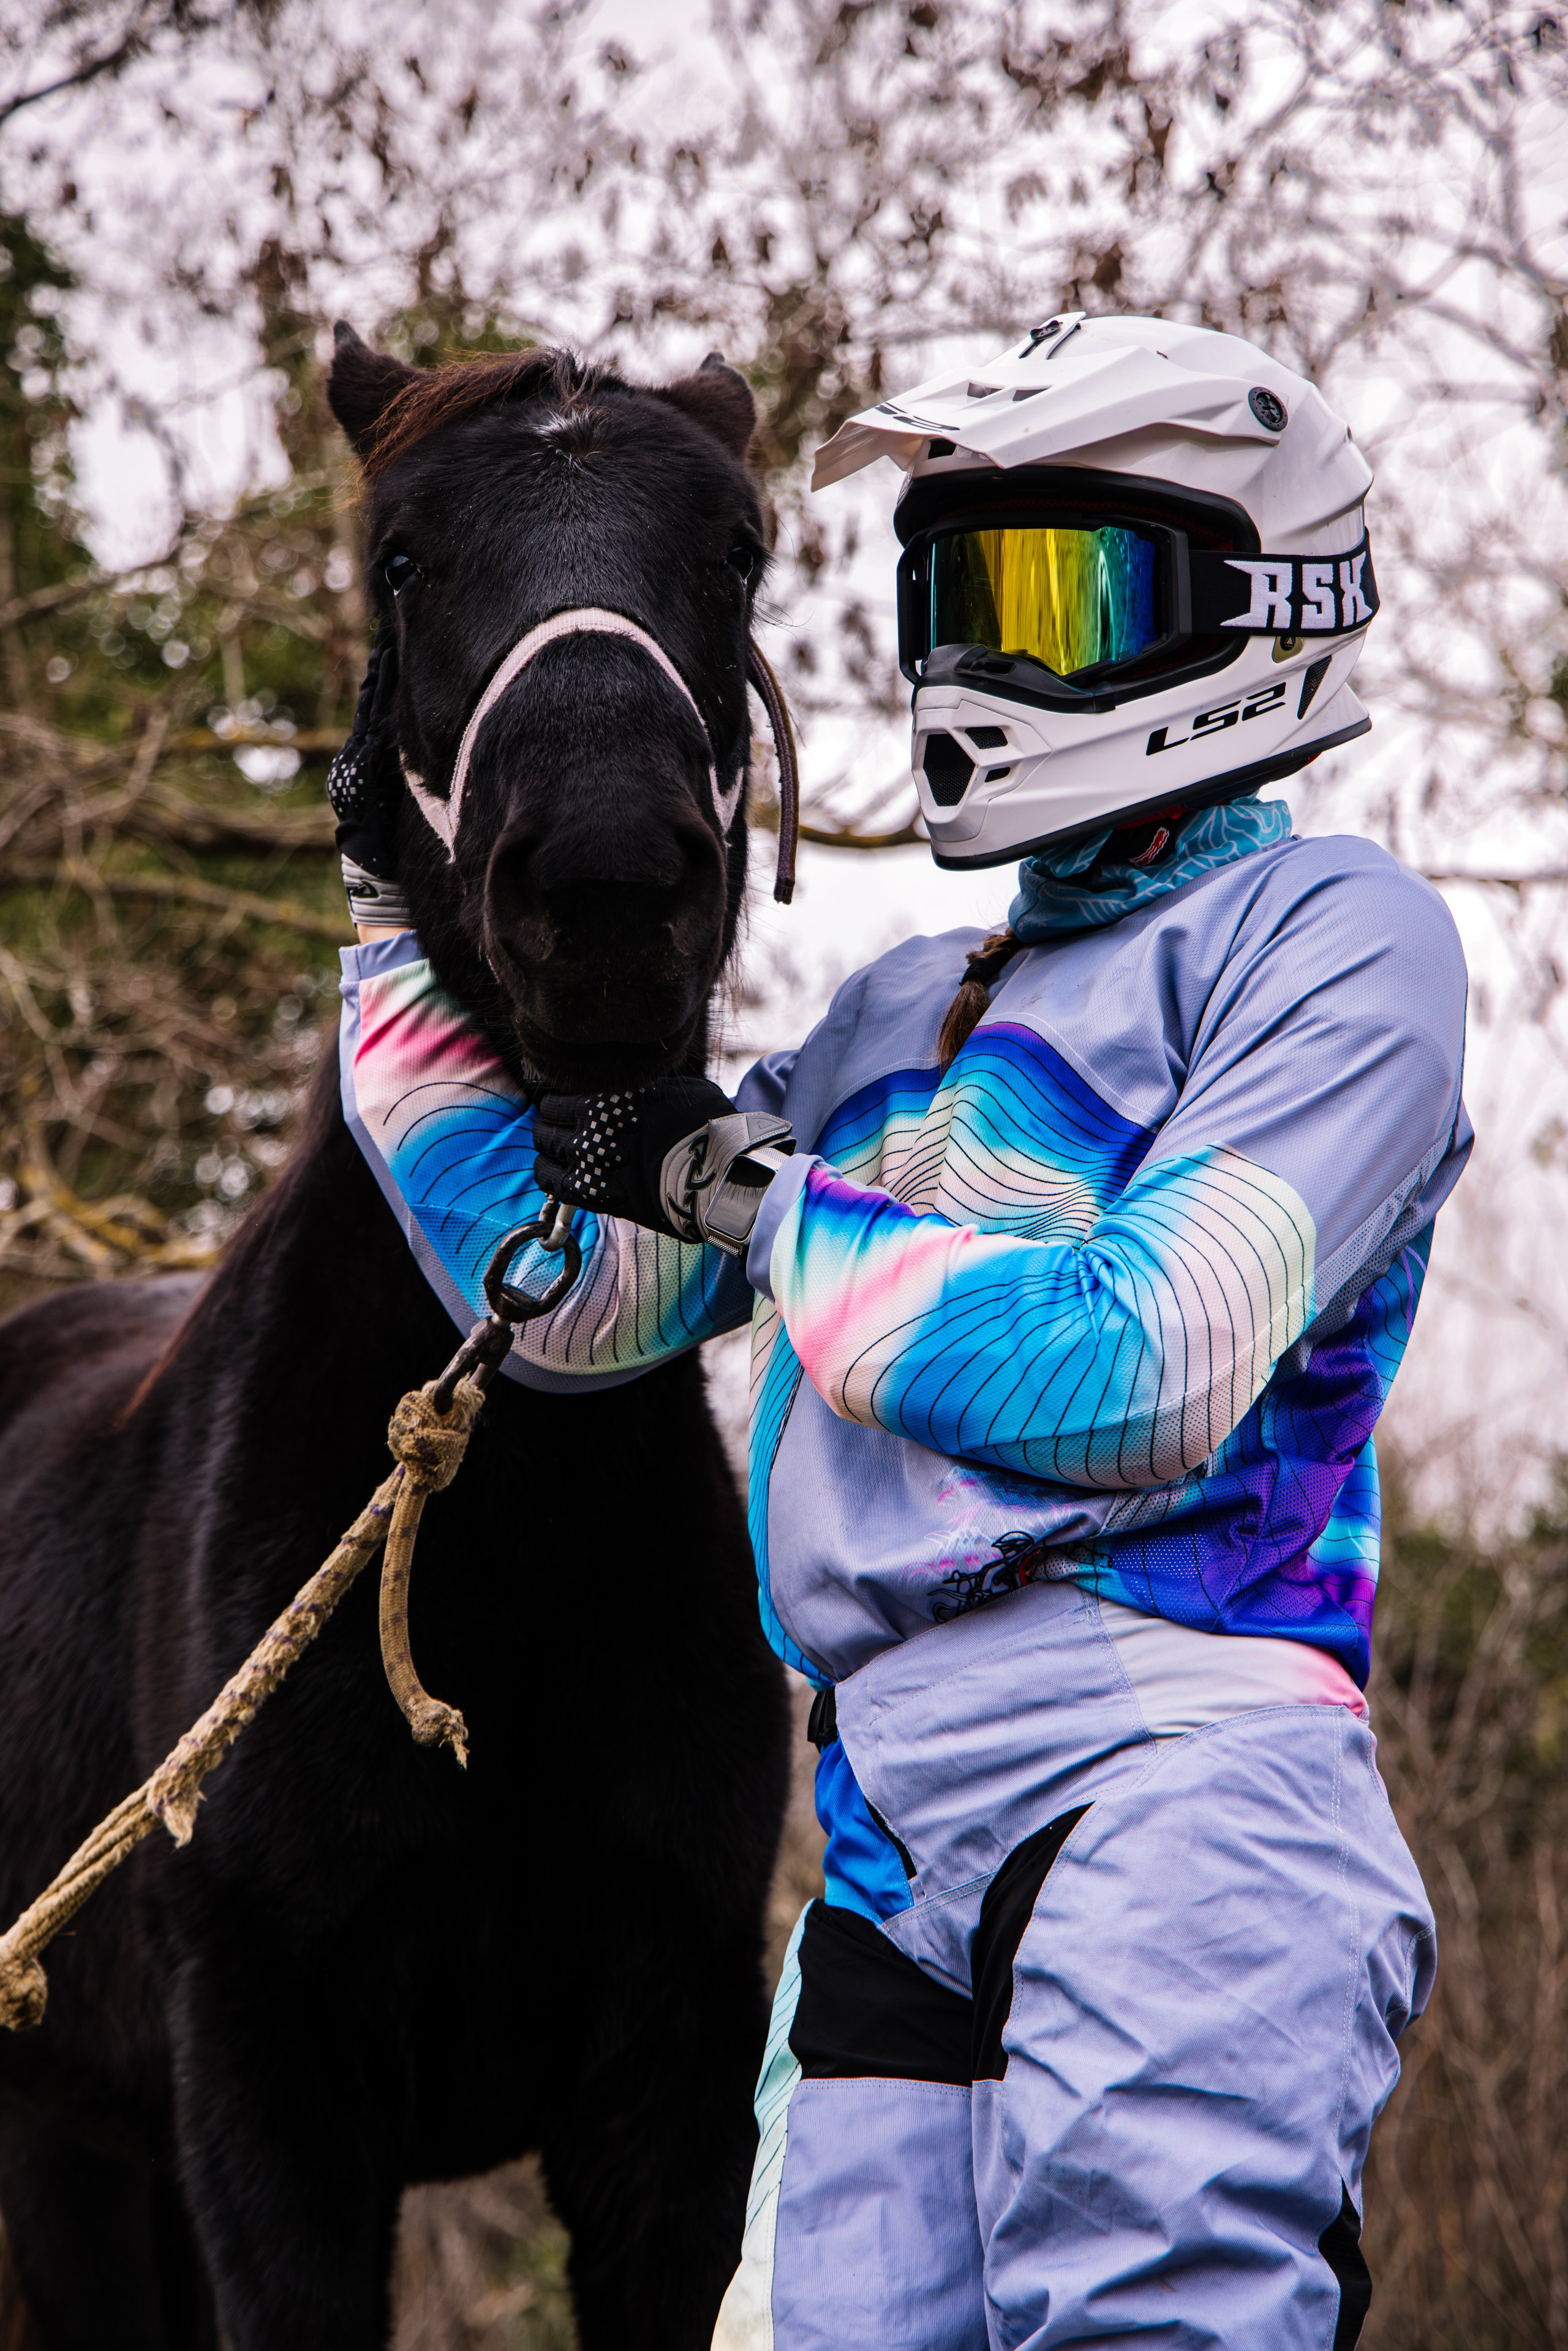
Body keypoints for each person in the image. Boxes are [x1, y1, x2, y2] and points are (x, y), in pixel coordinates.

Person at [334, 314, 1470, 2349]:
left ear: (1265, 602)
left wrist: (757, 1198)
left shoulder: (1339, 940)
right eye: (953, 592)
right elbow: (577, 1301)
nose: (987, 656)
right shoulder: (896, 1013)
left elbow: (1139, 1362)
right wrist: (390, 904)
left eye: (1059, 592)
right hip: (884, 1835)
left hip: (1180, 1774)